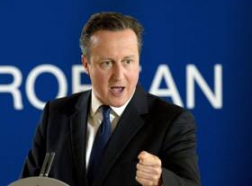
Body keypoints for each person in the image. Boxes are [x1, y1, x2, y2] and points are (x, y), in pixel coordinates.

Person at [20, 12, 201, 186]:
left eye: (128, 61)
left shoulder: (171, 121)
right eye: (107, 63)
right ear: (86, 64)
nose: (119, 75)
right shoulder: (56, 114)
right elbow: (30, 182)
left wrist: (161, 180)